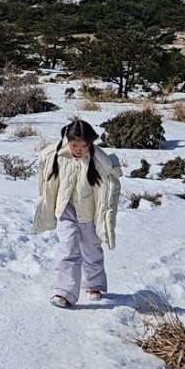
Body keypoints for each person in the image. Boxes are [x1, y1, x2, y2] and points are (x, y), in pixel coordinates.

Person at [32, 119, 121, 308]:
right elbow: (44, 160)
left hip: (88, 212)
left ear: (90, 143)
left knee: (91, 249)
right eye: (74, 144)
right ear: (68, 140)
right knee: (68, 246)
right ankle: (63, 292)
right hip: (65, 209)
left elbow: (112, 175)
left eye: (83, 145)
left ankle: (93, 284)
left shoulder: (97, 159)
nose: (79, 149)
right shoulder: (58, 154)